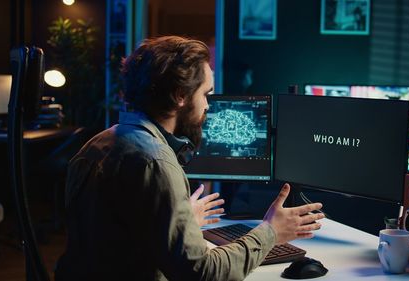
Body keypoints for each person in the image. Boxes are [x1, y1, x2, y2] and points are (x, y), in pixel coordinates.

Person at [55, 36, 324, 281]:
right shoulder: (156, 162)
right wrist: (270, 231)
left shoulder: (96, 145)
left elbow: (116, 239)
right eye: (206, 94)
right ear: (180, 96)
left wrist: (179, 223)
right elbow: (202, 274)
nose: (209, 106)